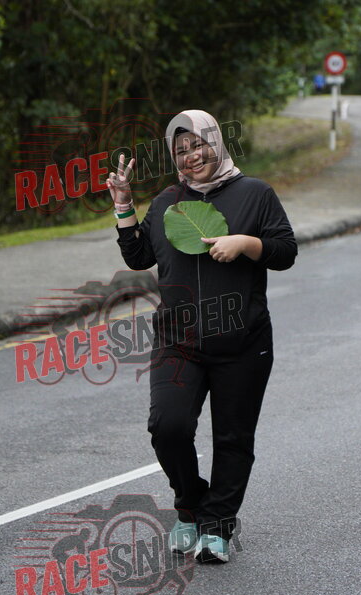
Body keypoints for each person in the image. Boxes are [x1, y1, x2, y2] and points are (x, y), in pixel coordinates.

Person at [108, 109, 297, 564]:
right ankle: (191, 507)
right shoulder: (167, 202)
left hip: (243, 342)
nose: (191, 155)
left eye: (199, 144)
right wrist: (123, 205)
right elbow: (139, 256)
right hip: (178, 341)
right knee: (167, 427)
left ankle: (218, 526)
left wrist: (245, 243)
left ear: (217, 142)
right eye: (181, 150)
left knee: (233, 439)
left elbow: (285, 251)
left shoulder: (255, 194)